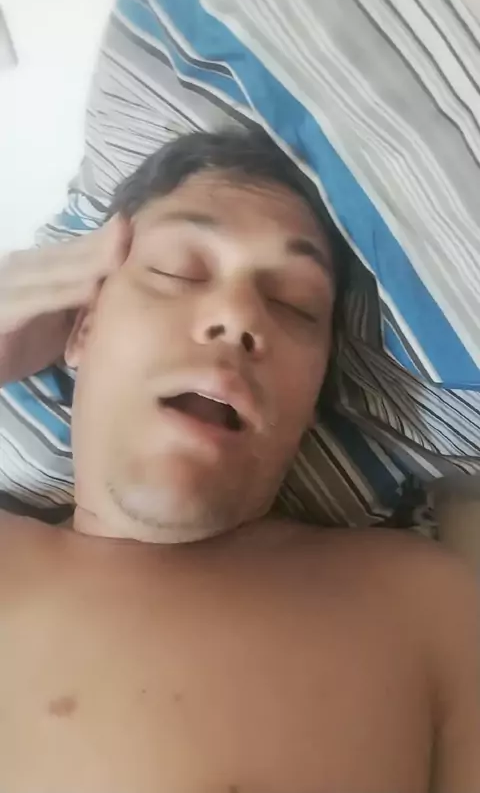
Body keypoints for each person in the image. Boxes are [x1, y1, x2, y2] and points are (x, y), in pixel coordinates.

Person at [0, 128, 479, 793]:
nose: (236, 315)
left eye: (294, 304)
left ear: (313, 393)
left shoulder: (428, 606)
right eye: (178, 270)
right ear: (83, 328)